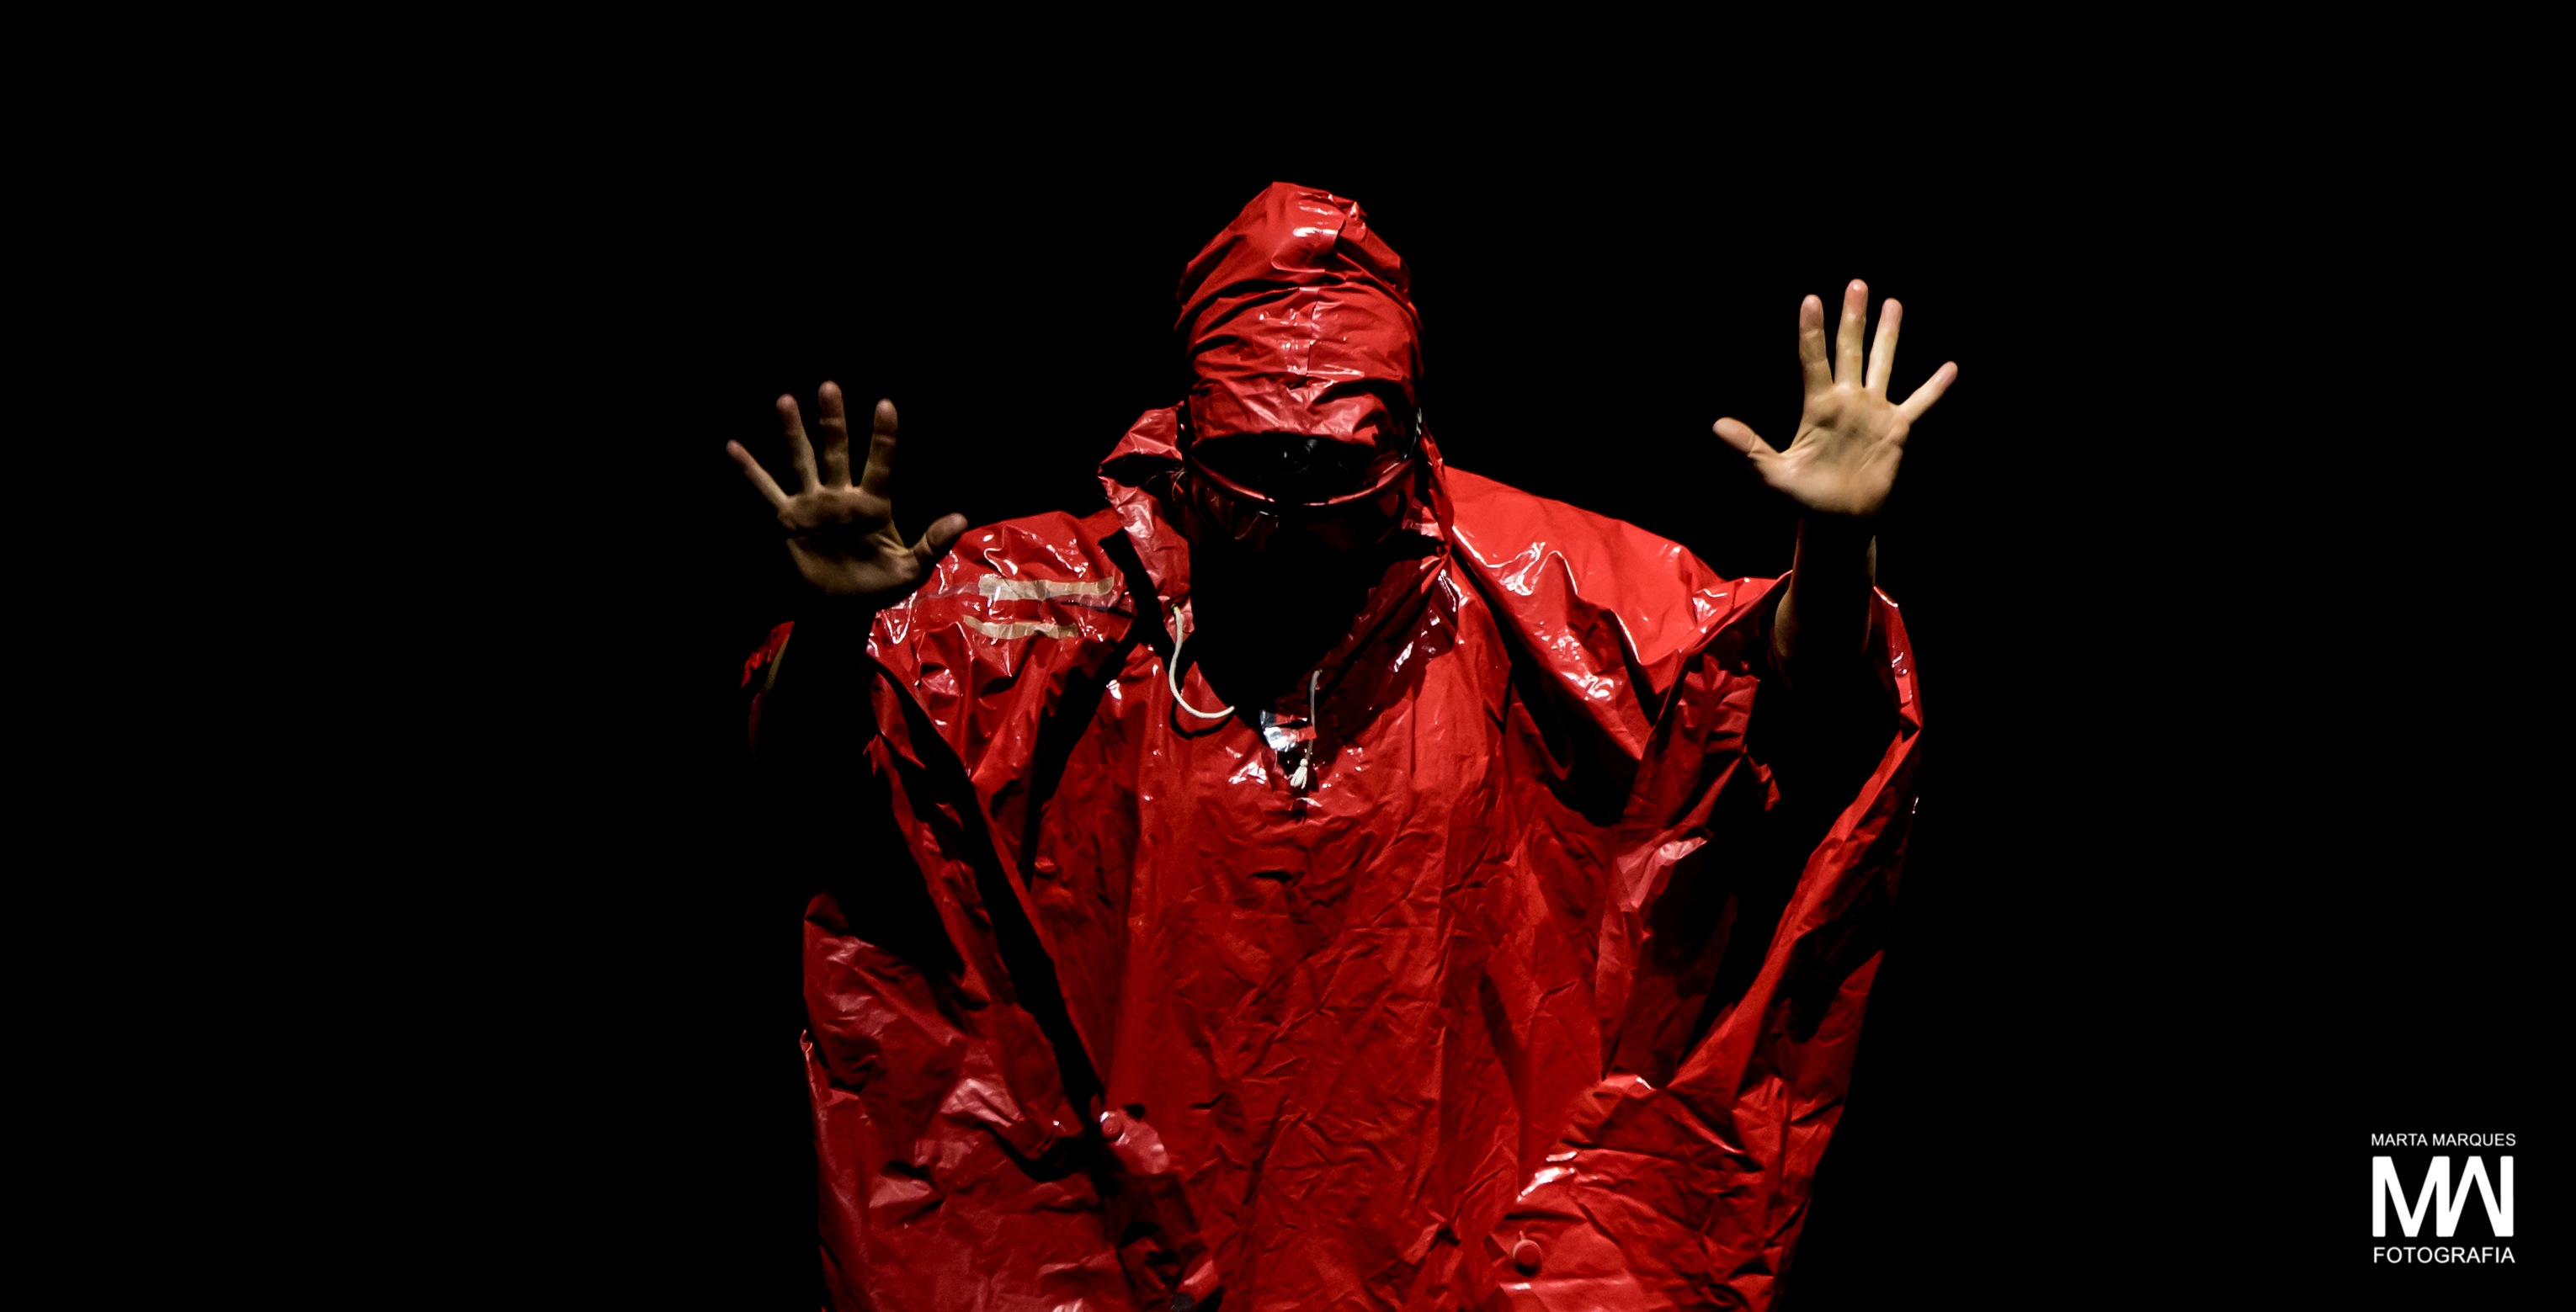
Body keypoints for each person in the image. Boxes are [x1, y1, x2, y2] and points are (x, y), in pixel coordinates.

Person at [726, 183, 1956, 1311]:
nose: (1293, 512)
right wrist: (836, 632)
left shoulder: (1538, 589)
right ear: (1184, 433)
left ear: (1407, 441)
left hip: (1458, 1244)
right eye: (1258, 464)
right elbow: (824, 795)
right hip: (1112, 1249)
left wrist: (1835, 555)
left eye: (1334, 468)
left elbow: (1781, 727)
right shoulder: (1051, 605)